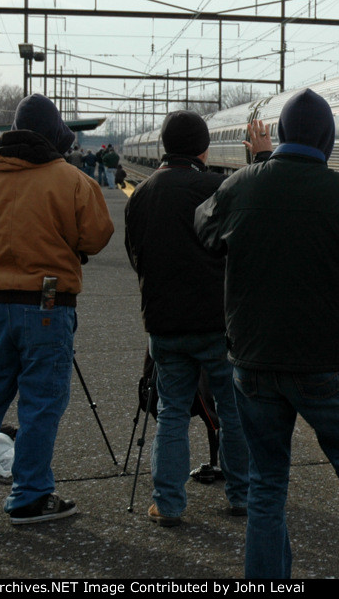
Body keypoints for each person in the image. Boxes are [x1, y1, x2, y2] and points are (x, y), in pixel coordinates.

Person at [194, 89, 339, 580]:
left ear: (281, 135)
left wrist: (253, 172)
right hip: (325, 365)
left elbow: (205, 231)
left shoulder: (242, 186)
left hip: (253, 364)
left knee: (266, 485)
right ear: (326, 139)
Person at [0, 93, 114, 525]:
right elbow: (96, 237)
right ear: (52, 134)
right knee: (41, 401)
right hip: (48, 305)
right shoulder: (70, 180)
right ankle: (29, 494)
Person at [124, 111, 253, 527]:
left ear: (164, 146)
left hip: (164, 324)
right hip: (219, 324)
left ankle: (169, 503)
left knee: (173, 413)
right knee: (232, 412)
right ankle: (243, 495)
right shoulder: (219, 187)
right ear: (203, 149)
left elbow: (135, 256)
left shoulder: (142, 194)